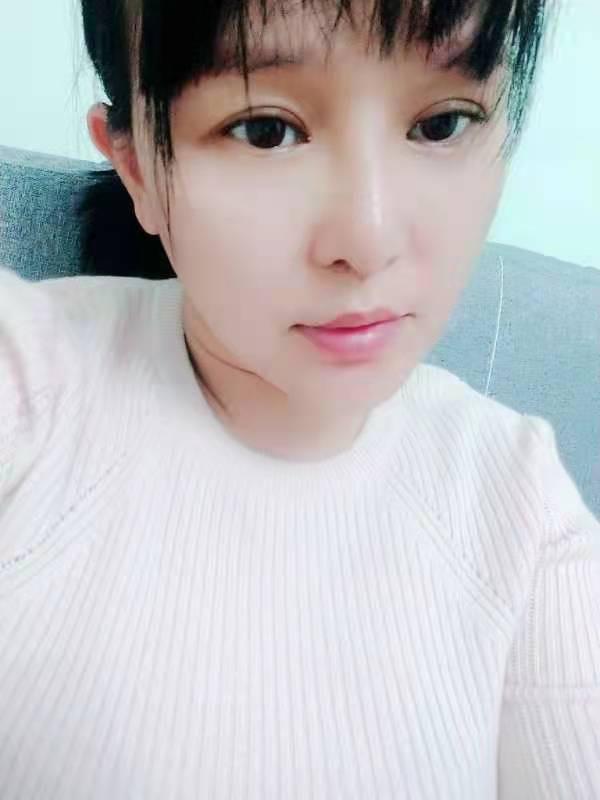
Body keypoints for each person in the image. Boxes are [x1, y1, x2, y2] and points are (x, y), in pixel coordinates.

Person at [0, 0, 598, 797]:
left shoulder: (523, 512)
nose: (369, 240)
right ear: (138, 168)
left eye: (442, 123)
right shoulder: (30, 384)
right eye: (265, 131)